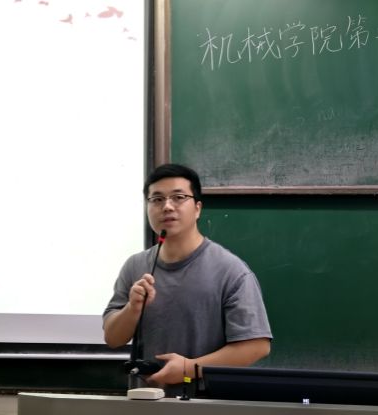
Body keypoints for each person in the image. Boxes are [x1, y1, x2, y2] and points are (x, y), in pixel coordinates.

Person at [102, 163, 272, 397]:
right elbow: (113, 338)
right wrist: (132, 308)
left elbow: (257, 346)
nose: (167, 206)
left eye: (178, 197)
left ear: (197, 208)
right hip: (145, 402)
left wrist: (189, 368)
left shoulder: (230, 270)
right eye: (157, 199)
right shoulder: (135, 266)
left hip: (206, 405)